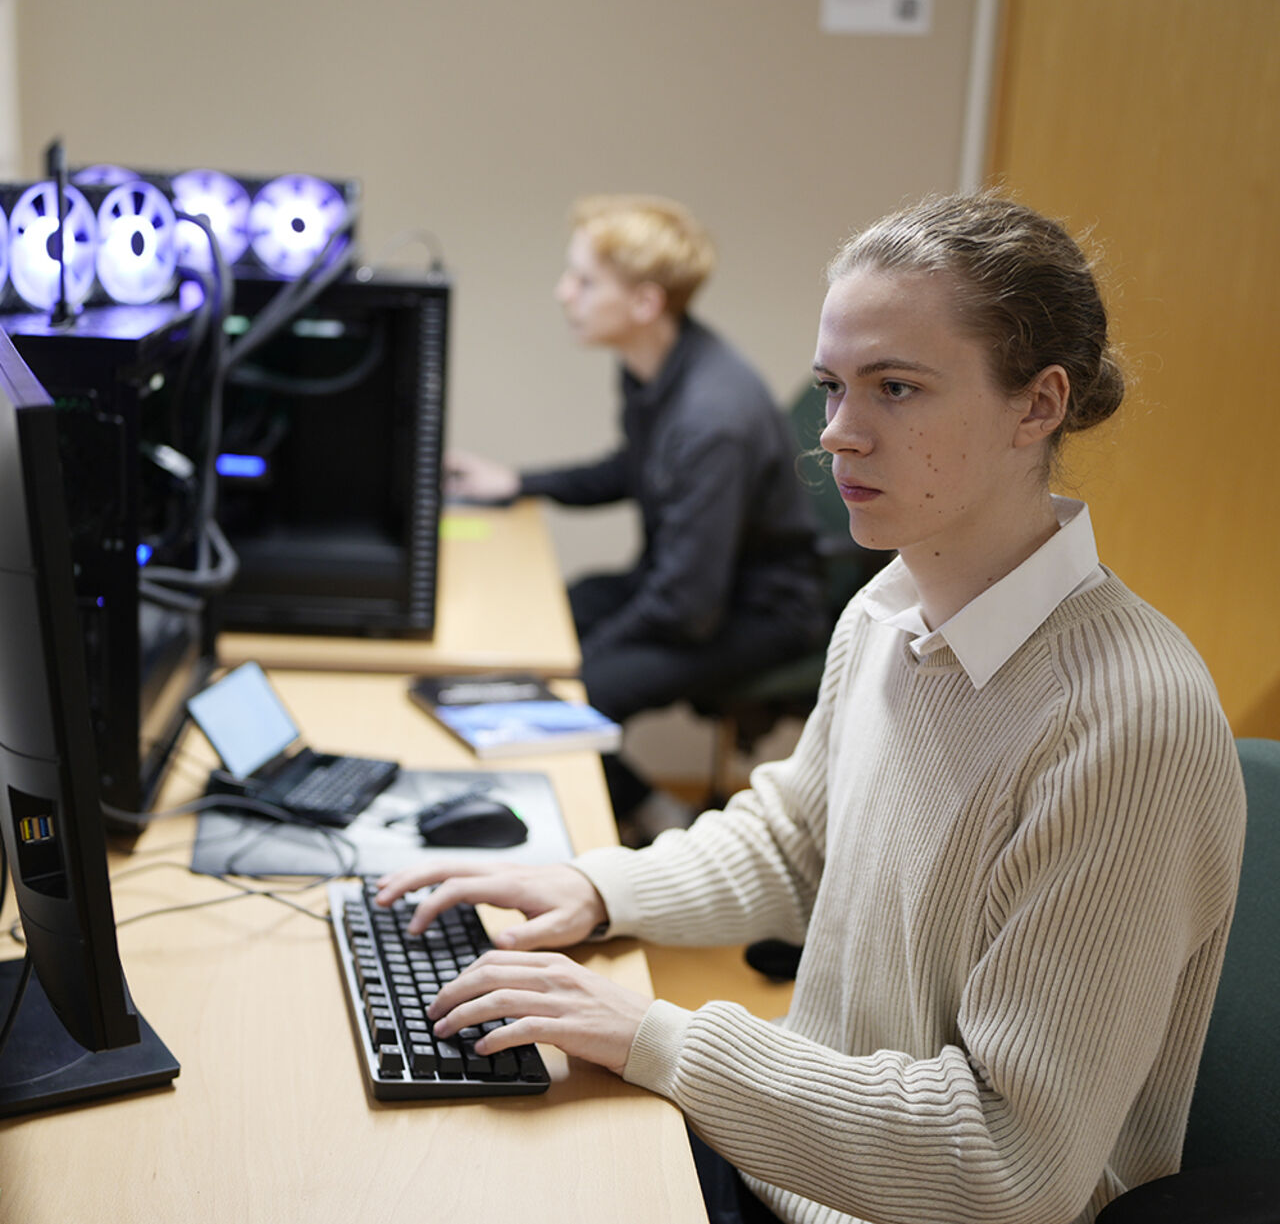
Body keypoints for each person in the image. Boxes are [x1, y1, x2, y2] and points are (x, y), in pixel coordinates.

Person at [379, 193, 1246, 1224]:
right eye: (832, 387)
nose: (835, 434)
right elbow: (796, 841)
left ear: (1035, 406)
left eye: (894, 388)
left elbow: (1007, 1160)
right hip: (792, 1165)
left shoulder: (1122, 721)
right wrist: (589, 886)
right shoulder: (887, 605)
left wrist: (654, 1037)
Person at [446, 194, 826, 831]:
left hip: (755, 612)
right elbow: (635, 467)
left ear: (645, 303)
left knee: (577, 690)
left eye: (584, 281)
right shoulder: (656, 370)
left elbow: (687, 606)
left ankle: (650, 815)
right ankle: (646, 807)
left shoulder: (712, 418)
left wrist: (576, 659)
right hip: (695, 586)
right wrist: (516, 482)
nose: (564, 293)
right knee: (550, 622)